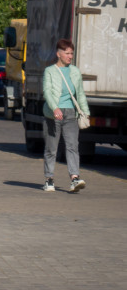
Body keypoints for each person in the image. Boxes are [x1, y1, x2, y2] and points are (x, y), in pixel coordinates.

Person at [42, 39, 89, 193]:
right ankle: (49, 179)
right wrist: (54, 108)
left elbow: (80, 93)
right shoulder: (50, 71)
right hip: (53, 114)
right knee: (51, 148)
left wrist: (85, 112)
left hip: (70, 114)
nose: (70, 56)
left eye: (71, 53)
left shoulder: (75, 71)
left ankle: (74, 179)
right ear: (58, 54)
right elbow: (47, 92)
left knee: (72, 146)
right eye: (67, 53)